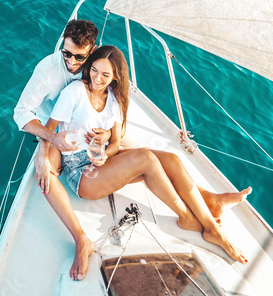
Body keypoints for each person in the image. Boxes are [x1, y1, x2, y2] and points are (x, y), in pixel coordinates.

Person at [47, 45, 249, 268]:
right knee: (145, 158)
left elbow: (115, 144)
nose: (97, 78)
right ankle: (192, 220)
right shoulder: (74, 92)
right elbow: (49, 131)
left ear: (115, 77)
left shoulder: (112, 98)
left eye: (105, 74)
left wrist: (104, 155)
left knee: (171, 160)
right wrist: (44, 160)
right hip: (81, 174)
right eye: (94, 70)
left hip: (100, 162)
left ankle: (210, 203)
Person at [13, 19, 99, 280]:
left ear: (93, 50)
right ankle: (80, 239)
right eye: (66, 53)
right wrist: (47, 143)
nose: (71, 61)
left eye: (79, 56)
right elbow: (21, 113)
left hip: (87, 130)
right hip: (54, 134)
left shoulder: (98, 66)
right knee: (45, 175)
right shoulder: (47, 70)